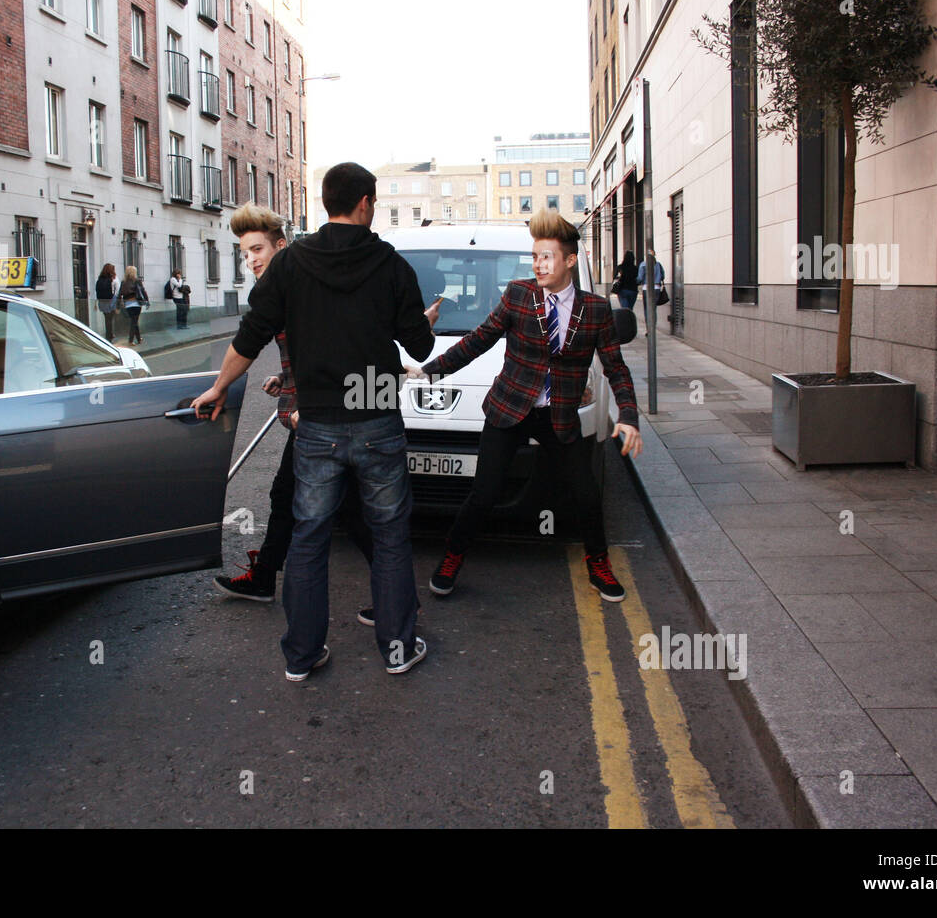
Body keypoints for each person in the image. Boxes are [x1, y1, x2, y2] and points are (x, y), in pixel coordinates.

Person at [193, 162, 438, 681]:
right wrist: (418, 322)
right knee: (390, 535)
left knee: (308, 537)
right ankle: (398, 649)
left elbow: (251, 334)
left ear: (327, 203)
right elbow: (418, 344)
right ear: (366, 203)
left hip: (318, 425)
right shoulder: (392, 265)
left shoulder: (291, 264)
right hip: (377, 418)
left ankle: (302, 658)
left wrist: (219, 387)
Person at [407, 210, 644, 603]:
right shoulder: (519, 295)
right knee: (483, 494)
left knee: (586, 494)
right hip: (510, 408)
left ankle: (598, 563)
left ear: (569, 260)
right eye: (534, 257)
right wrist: (429, 372)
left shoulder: (596, 310)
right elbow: (478, 340)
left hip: (558, 415)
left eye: (546, 257)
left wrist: (629, 417)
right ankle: (452, 557)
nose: (538, 264)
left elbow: (616, 368)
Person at [212, 203, 377, 618]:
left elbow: (320, 345)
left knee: (349, 508)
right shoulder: (288, 283)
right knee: (289, 494)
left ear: (280, 246)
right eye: (244, 253)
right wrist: (285, 382)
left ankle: (394, 592)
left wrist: (219, 388)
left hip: (325, 414)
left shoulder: (292, 285)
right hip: (323, 408)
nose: (250, 260)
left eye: (257, 250)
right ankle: (265, 576)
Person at [120, 266, 147, 346]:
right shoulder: (137, 281)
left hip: (128, 304)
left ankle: (138, 338)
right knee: (134, 322)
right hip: (136, 303)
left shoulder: (123, 282)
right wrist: (147, 300)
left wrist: (118, 304)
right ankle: (130, 340)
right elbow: (143, 291)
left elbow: (120, 293)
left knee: (134, 321)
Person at [95, 263, 118, 340]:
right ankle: (109, 336)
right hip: (111, 301)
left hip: (102, 302)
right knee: (110, 319)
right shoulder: (113, 279)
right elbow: (117, 291)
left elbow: (97, 291)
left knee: (107, 319)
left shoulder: (99, 279)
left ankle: (109, 335)